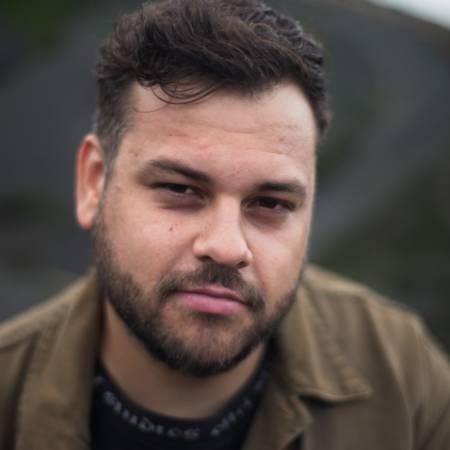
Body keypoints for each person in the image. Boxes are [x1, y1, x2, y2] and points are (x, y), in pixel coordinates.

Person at [0, 0, 449, 449]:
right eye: (180, 189)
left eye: (271, 203)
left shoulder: (402, 373)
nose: (227, 246)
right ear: (94, 183)